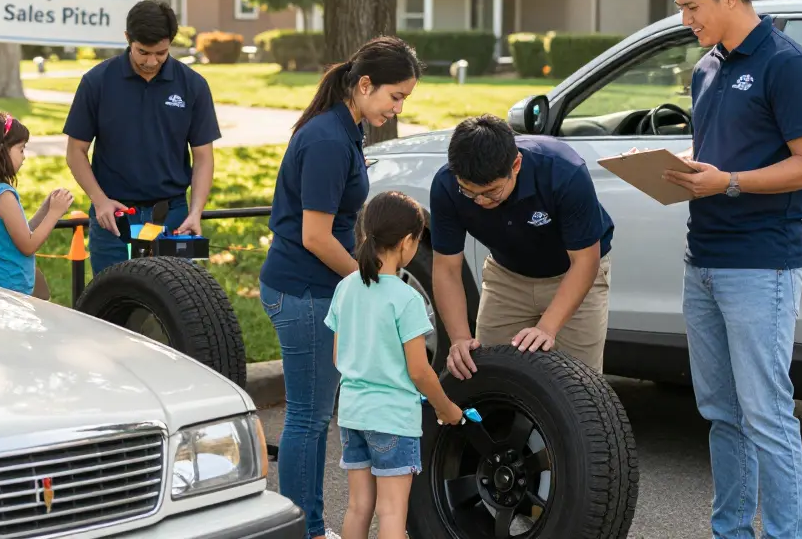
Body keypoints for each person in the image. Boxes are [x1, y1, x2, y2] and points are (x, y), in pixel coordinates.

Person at [657, 0, 802, 539]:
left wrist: (727, 182)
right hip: (702, 259)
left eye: (691, 7)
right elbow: (718, 153)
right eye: (680, 8)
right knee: (722, 414)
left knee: (767, 415)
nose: (685, 19)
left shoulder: (786, 64)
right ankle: (729, 531)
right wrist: (671, 166)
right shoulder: (707, 67)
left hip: (762, 265)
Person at [260, 35, 423, 539]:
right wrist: (369, 280)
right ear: (365, 84)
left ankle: (306, 526)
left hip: (314, 288)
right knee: (308, 419)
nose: (396, 110)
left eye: (405, 101)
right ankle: (303, 530)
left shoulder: (345, 128)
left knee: (312, 415)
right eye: (394, 97)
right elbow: (314, 235)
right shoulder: (329, 140)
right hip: (303, 290)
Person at [431, 114, 615, 378]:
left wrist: (547, 327)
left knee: (579, 384)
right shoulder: (446, 185)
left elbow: (586, 261)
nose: (480, 201)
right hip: (507, 278)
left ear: (516, 164)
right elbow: (447, 268)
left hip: (572, 274)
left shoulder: (563, 170)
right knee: (488, 374)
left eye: (491, 191)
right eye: (469, 192)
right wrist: (459, 338)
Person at [326, 191, 462, 539]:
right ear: (407, 242)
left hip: (353, 414)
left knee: (359, 506)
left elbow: (338, 357)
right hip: (392, 419)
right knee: (391, 511)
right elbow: (419, 371)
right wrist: (445, 407)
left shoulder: (345, 289)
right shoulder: (407, 298)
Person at [63, 0, 221, 275]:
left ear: (171, 42)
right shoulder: (97, 81)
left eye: (160, 53)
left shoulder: (193, 85)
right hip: (113, 217)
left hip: (173, 216)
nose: (151, 61)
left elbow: (204, 157)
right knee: (113, 306)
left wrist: (196, 212)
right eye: (143, 52)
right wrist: (99, 201)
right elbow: (76, 151)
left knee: (176, 304)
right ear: (128, 39)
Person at [0, 112, 73, 299]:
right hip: (10, 285)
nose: (24, 157)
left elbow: (19, 234)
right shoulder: (3, 195)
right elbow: (28, 245)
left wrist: (45, 209)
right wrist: (54, 214)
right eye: (21, 149)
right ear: (0, 151)